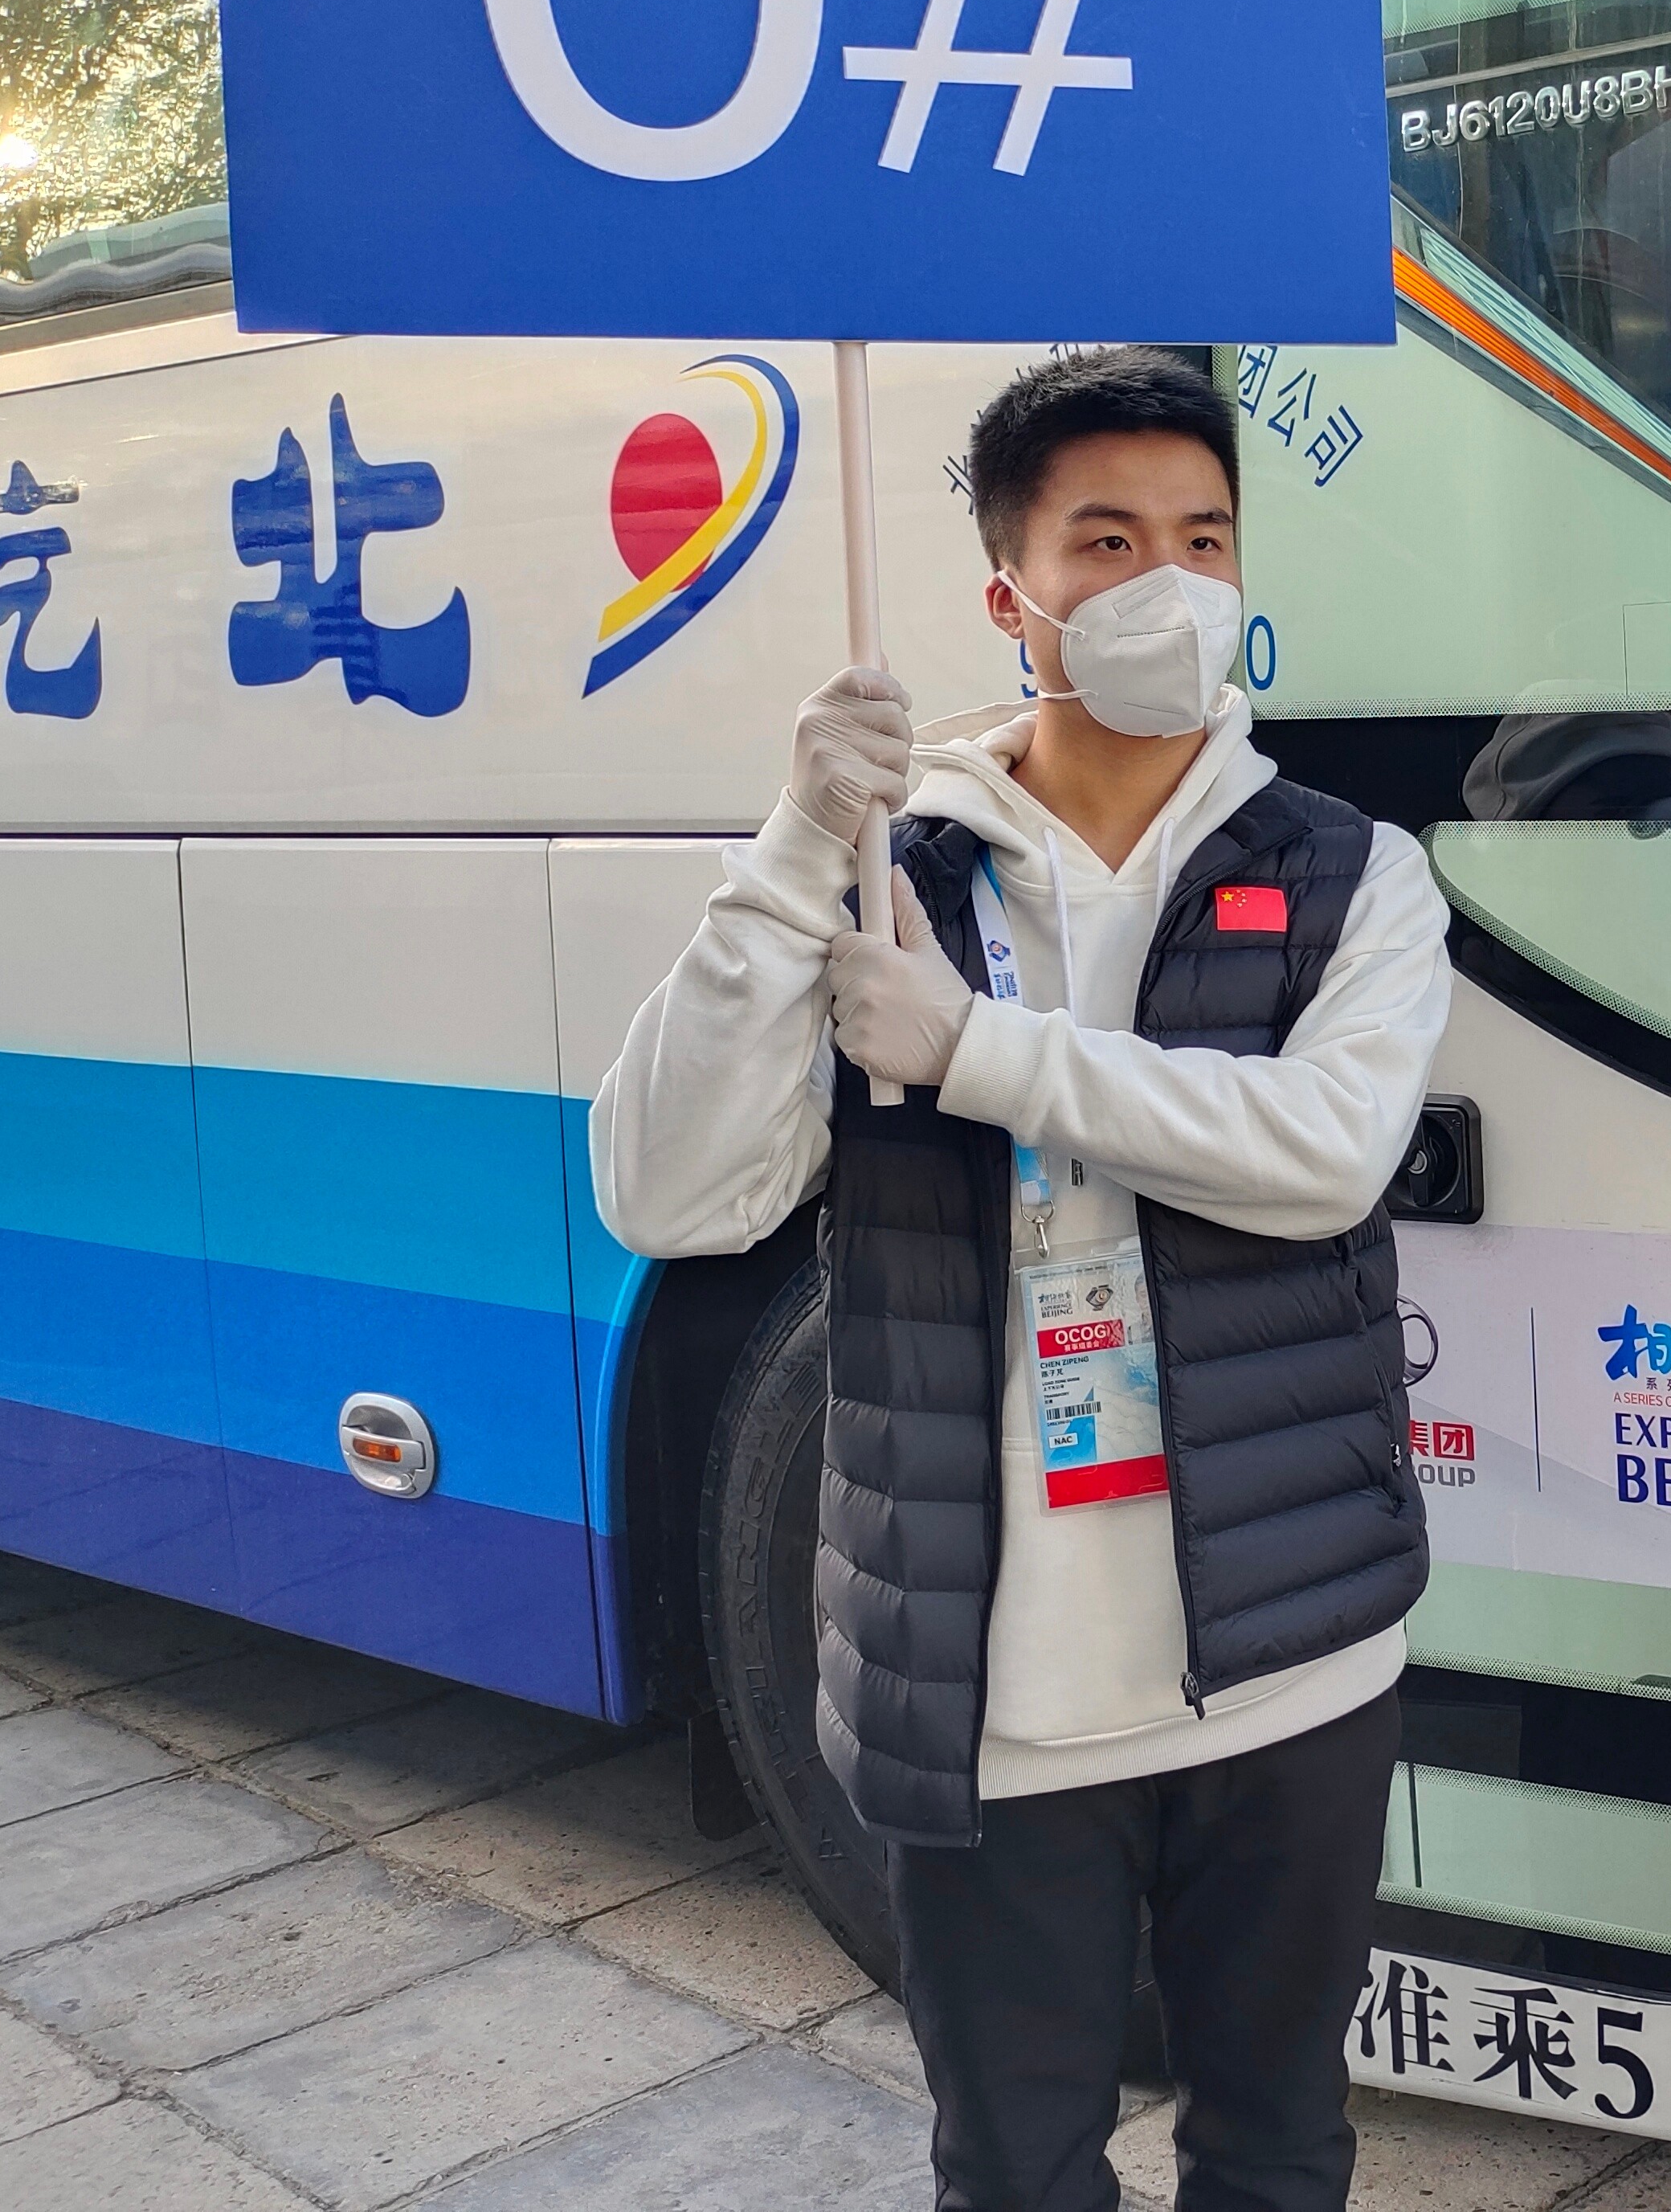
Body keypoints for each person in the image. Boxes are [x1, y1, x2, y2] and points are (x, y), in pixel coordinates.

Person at [593, 345, 1452, 2212]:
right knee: (1014, 2170)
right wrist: (794, 851)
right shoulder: (884, 881)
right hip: (990, 1697)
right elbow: (664, 1189)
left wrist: (975, 1051)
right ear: (1013, 596)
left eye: (1206, 538)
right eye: (1110, 541)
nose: (1171, 583)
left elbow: (1324, 1157)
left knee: (1280, 2153)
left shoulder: (1353, 876)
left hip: (1290, 1673)